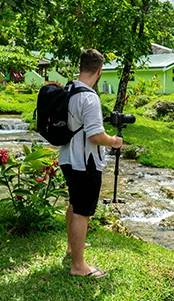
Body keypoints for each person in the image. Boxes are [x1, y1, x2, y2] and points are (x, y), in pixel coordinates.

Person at [59, 49, 122, 278]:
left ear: (80, 67)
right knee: (82, 211)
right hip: (84, 161)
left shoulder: (68, 90)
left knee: (75, 203)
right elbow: (96, 136)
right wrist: (114, 141)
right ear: (99, 71)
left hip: (67, 157)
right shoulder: (89, 97)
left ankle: (71, 247)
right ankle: (78, 266)